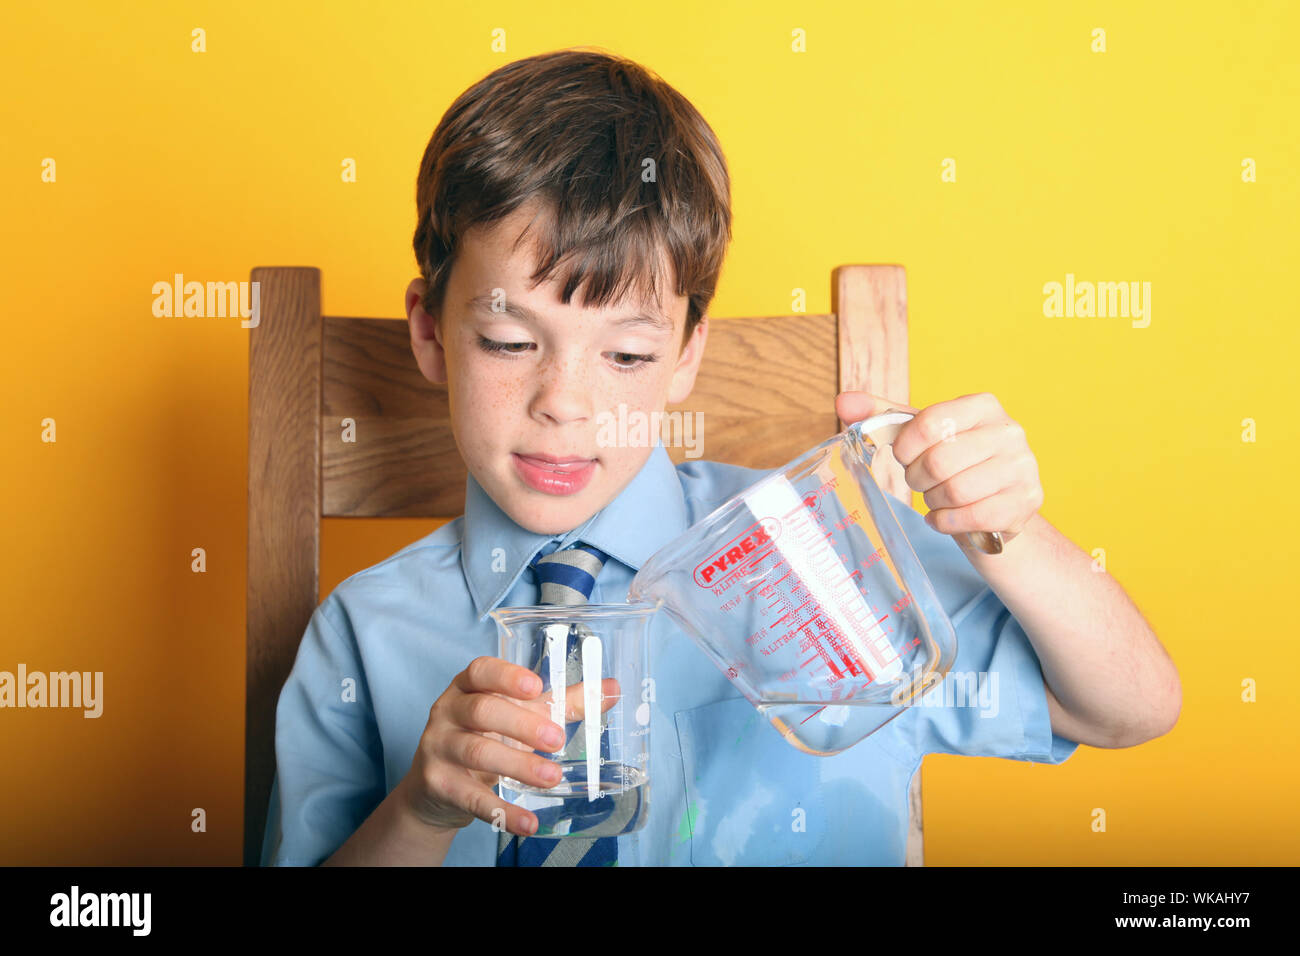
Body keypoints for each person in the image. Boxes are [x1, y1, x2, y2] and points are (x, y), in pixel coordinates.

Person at [260, 48, 1180, 867]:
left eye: (626, 355)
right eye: (508, 341)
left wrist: (1006, 531)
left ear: (687, 355)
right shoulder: (363, 633)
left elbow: (1128, 709)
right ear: (429, 331)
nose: (565, 404)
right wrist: (420, 813)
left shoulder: (815, 555)